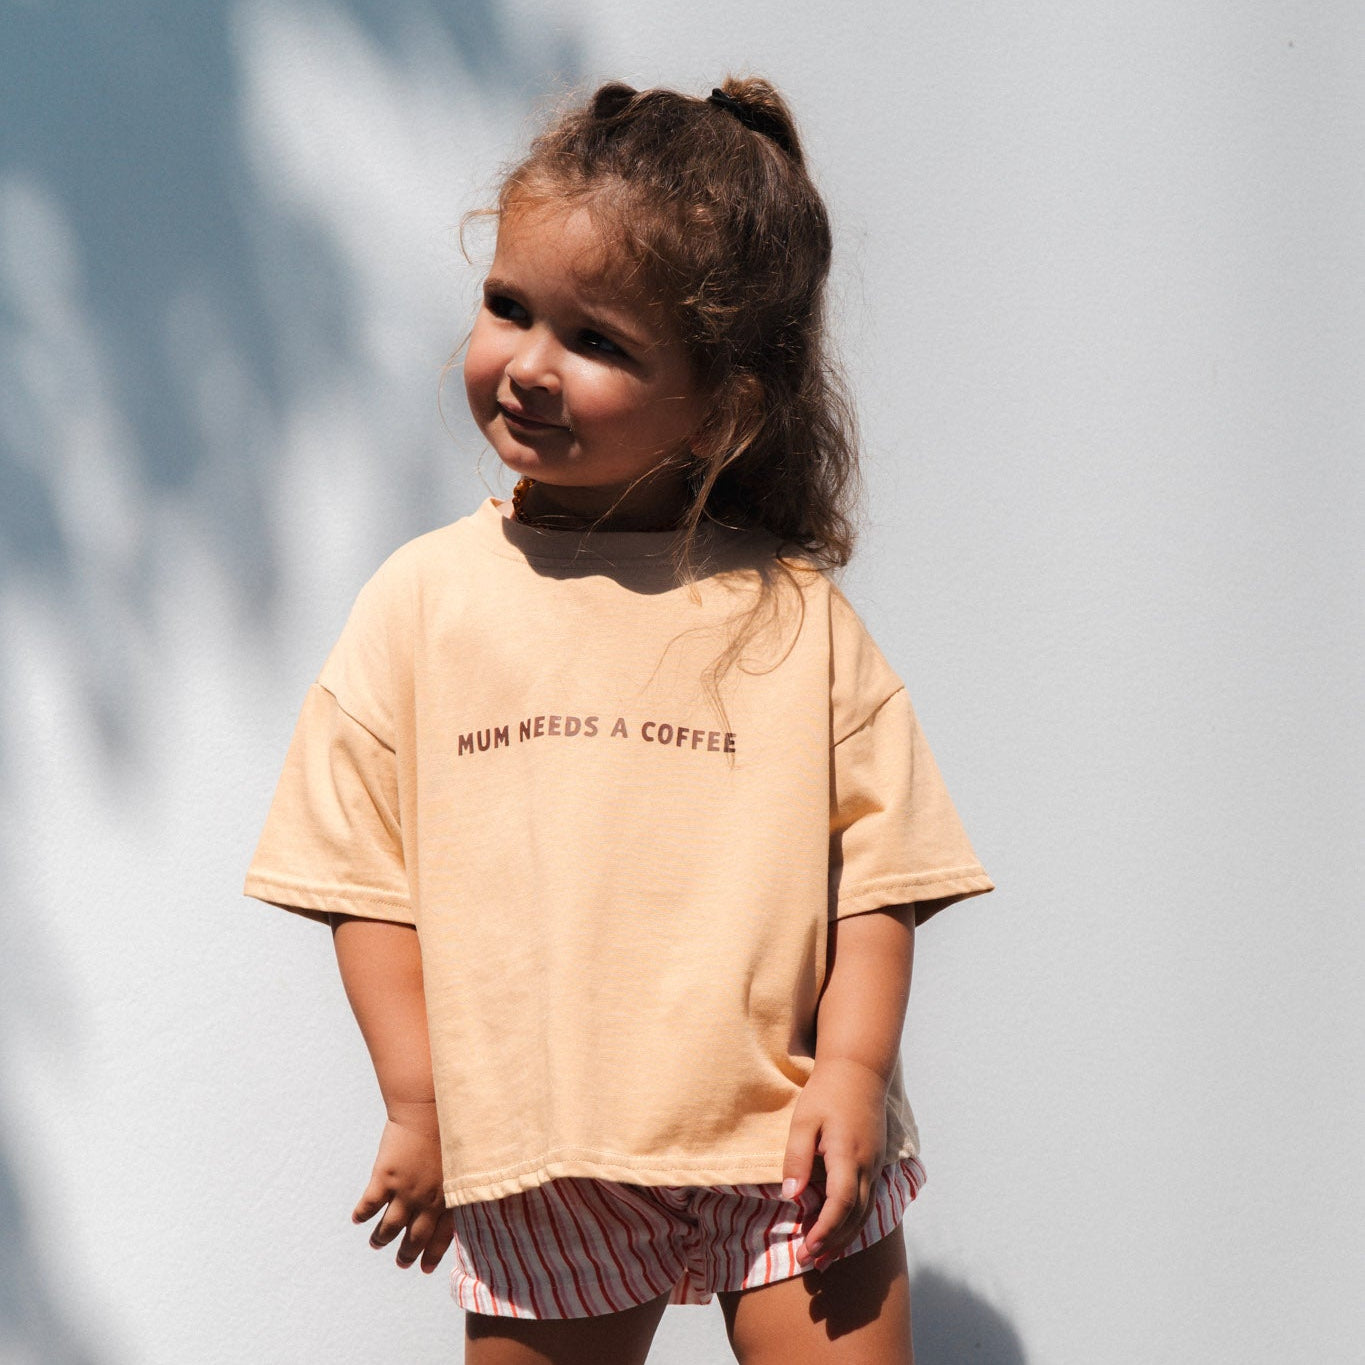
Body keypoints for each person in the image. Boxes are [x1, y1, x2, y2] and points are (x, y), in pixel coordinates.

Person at [245, 77, 992, 1365]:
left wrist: (855, 1077)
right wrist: (420, 1107)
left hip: (789, 1142)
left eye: (596, 341)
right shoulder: (424, 604)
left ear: (722, 403)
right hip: (541, 1153)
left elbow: (885, 881)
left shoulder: (792, 616)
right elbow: (364, 880)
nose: (527, 364)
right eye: (507, 305)